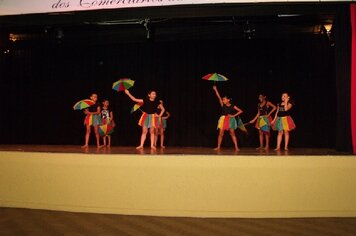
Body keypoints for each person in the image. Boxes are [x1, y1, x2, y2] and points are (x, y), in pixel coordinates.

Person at [213, 85, 243, 151]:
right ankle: (218, 147)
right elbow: (218, 97)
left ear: (228, 100)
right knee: (221, 133)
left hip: (231, 120)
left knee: (232, 133)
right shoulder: (222, 104)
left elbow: (240, 111)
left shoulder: (232, 106)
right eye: (223, 99)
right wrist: (215, 89)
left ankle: (236, 147)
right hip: (223, 119)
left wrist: (233, 115)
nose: (223, 100)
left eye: (224, 99)